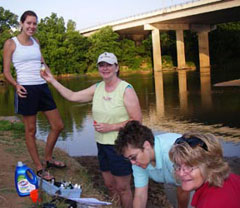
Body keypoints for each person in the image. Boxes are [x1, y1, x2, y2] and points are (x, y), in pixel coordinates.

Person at [41, 52, 142, 208]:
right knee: (110, 185)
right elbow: (73, 96)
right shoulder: (97, 88)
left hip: (122, 146)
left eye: (109, 64)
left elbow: (137, 121)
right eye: (102, 65)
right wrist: (52, 80)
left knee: (123, 188)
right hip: (102, 144)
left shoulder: (126, 89)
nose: (105, 68)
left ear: (117, 67)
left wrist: (112, 127)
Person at [3, 10, 65, 181]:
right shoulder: (11, 43)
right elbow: (6, 71)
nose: (32, 26)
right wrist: (16, 85)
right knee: (31, 130)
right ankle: (39, 167)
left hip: (42, 87)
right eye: (29, 23)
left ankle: (48, 158)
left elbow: (42, 64)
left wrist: (53, 81)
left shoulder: (36, 41)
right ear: (21, 24)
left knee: (58, 125)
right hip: (26, 89)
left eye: (34, 23)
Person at [115, 120, 190, 208]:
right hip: (172, 180)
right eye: (129, 159)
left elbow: (184, 189)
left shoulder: (170, 153)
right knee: (174, 201)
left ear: (146, 145)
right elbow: (140, 195)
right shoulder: (137, 162)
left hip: (198, 178)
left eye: (133, 157)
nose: (132, 163)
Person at [169, 133, 240, 208]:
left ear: (210, 166)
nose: (181, 173)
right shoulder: (232, 178)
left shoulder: (209, 204)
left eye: (190, 166)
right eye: (178, 165)